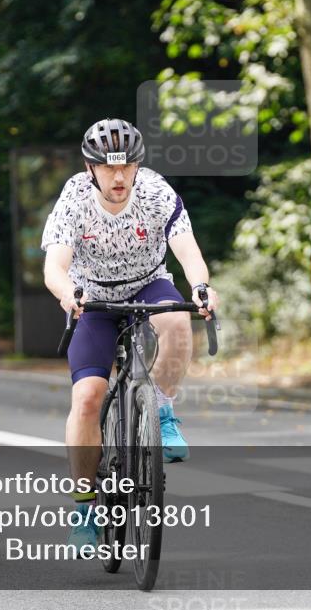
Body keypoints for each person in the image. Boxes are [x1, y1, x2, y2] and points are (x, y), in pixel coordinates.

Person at [41, 118, 218, 549]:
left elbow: (188, 250)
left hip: (147, 283)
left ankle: (163, 412)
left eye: (127, 167)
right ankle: (85, 506)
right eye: (108, 168)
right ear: (90, 167)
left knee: (177, 318)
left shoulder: (157, 192)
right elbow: (54, 268)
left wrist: (201, 287)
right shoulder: (74, 199)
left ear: (138, 165)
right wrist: (70, 296)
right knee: (86, 398)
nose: (118, 177)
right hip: (93, 298)